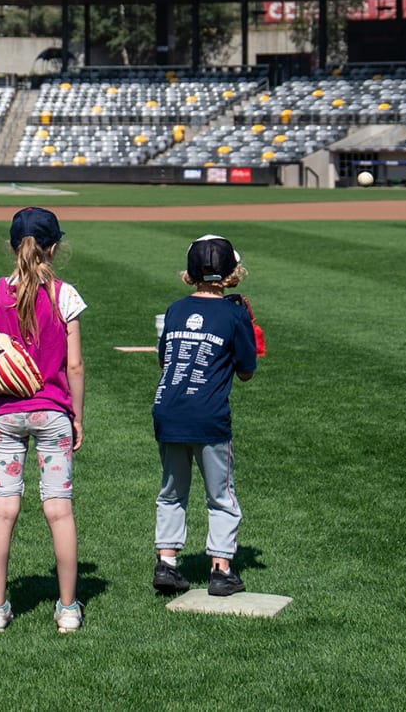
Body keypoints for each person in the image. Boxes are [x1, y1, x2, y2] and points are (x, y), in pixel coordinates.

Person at [0, 207, 87, 634]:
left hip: (6, 416)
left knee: (3, 510)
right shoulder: (64, 295)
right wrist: (77, 417)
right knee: (59, 511)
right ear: (54, 248)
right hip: (52, 412)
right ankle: (67, 609)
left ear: (12, 246)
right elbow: (75, 366)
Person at [151, 235, 258, 597]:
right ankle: (221, 570)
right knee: (221, 495)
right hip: (209, 416)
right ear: (232, 272)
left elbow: (165, 360)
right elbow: (246, 371)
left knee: (171, 492)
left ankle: (167, 564)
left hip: (168, 411)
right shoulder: (234, 313)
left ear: (190, 272)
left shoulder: (175, 309)